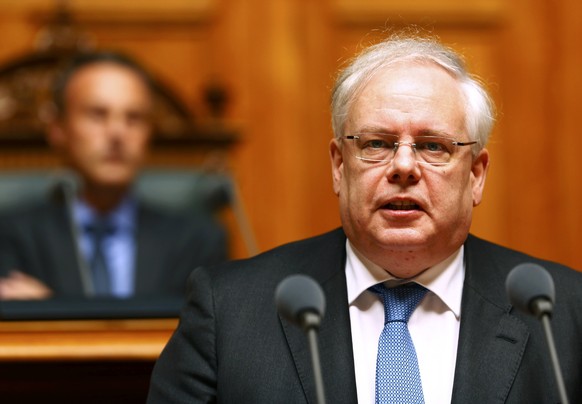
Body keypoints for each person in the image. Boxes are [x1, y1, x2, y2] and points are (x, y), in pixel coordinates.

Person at [147, 34, 582, 403]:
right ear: (339, 166)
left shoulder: (565, 315)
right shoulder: (229, 311)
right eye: (376, 143)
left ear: (475, 174)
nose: (404, 167)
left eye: (433, 146)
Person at [0, 51, 228, 300]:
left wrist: (50, 307)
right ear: (58, 129)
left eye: (134, 118)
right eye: (97, 114)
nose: (117, 132)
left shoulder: (196, 241)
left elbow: (205, 332)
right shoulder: (13, 237)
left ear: (149, 134)